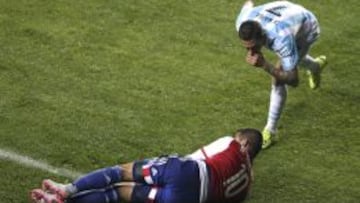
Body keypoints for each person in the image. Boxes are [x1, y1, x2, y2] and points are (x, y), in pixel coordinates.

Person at [30, 128, 263, 203]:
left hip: (186, 172)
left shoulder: (231, 144)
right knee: (119, 193)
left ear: (243, 141)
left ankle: (66, 190)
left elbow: (193, 158)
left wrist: (166, 167)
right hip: (186, 200)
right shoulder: (247, 188)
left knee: (119, 172)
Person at [235, 0, 327, 149]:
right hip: (286, 12)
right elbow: (248, 3)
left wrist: (265, 65)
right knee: (295, 59)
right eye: (246, 48)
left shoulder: (281, 39)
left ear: (262, 37)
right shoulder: (242, 21)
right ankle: (316, 66)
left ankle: (270, 131)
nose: (251, 52)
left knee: (278, 79)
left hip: (307, 27)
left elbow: (294, 79)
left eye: (253, 47)